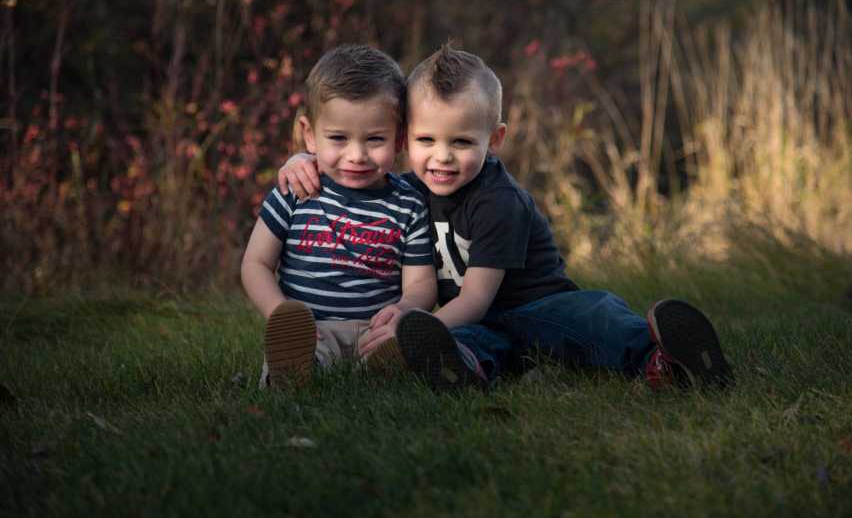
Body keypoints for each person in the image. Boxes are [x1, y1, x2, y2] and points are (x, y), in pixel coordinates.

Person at [278, 44, 734, 392]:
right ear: (404, 138)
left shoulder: (498, 201)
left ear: (493, 140)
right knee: (471, 341)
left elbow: (475, 298)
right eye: (426, 140)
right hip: (476, 323)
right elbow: (356, 178)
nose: (442, 158)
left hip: (536, 309)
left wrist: (411, 321)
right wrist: (304, 159)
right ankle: (460, 371)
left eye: (461, 143)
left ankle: (666, 361)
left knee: (595, 316)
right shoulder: (410, 190)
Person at [241, 44, 437, 388]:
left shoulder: (409, 204)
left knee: (398, 346)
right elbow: (255, 263)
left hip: (376, 328)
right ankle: (293, 370)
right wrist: (279, 314)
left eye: (375, 138)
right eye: (338, 138)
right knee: (300, 357)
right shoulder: (295, 190)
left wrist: (404, 310)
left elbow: (420, 283)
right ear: (309, 135)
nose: (357, 155)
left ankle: (382, 368)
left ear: (400, 139)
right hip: (310, 330)